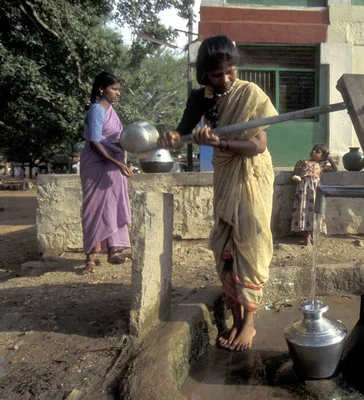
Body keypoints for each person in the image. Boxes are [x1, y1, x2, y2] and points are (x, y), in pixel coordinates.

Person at [159, 35, 277, 352]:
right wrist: (173, 136)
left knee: (249, 244)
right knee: (225, 245)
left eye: (230, 71)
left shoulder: (250, 94)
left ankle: (248, 325)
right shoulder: (200, 98)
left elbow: (258, 145)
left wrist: (218, 143)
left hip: (251, 176)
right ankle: (235, 321)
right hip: (225, 175)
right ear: (205, 75)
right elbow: (183, 130)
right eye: (216, 74)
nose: (224, 79)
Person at [80, 72, 133, 274]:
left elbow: (116, 140)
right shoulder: (96, 110)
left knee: (113, 205)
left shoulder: (111, 111)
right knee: (93, 209)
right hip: (96, 163)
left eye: (119, 89)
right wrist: (115, 162)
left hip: (114, 163)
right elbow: (95, 142)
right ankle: (90, 258)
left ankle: (113, 250)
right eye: (114, 89)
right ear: (102, 89)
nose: (118, 93)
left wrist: (128, 160)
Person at [291, 143, 337, 246]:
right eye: (313, 150)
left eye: (318, 151)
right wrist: (297, 179)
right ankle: (306, 238)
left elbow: (334, 169)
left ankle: (311, 236)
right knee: (304, 212)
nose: (313, 152)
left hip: (315, 191)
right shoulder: (303, 162)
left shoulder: (321, 165)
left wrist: (328, 158)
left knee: (314, 212)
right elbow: (295, 173)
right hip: (303, 191)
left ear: (322, 156)